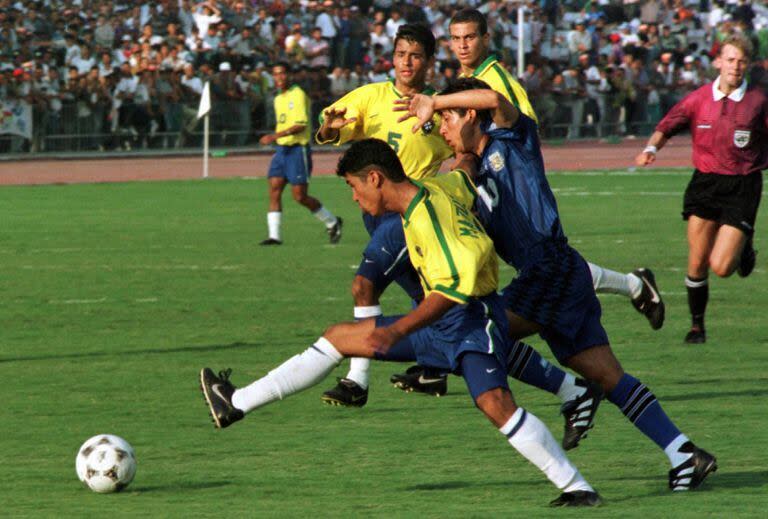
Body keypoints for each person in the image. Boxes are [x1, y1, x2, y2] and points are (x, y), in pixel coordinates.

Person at [201, 138, 602, 507]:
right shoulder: (435, 191)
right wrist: (464, 147)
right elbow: (464, 174)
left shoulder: (427, 217)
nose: (355, 198)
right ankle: (236, 403)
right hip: (449, 323)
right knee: (339, 337)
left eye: (354, 188)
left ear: (375, 178)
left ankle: (577, 487)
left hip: (470, 323)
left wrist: (398, 329)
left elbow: (449, 292)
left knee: (495, 404)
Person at [394, 77, 718, 492]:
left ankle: (571, 392)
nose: (441, 128)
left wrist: (434, 99)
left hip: (548, 267)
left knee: (479, 334)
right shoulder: (471, 170)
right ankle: (683, 453)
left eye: (447, 119)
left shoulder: (511, 137)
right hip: (556, 273)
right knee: (607, 375)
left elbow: (494, 98)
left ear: (470, 114)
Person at [447, 8, 664, 329]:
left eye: (469, 37)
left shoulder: (497, 81)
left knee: (531, 274)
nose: (462, 45)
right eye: (455, 39)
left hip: (508, 180)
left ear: (486, 38)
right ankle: (634, 285)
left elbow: (522, 131)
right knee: (548, 267)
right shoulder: (462, 83)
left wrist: (481, 171)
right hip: (491, 180)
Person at [314, 24, 453, 405]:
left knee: (365, 286)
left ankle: (357, 381)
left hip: (411, 215)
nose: (406, 63)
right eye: (400, 55)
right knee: (427, 295)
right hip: (375, 212)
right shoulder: (372, 96)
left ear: (429, 62)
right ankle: (437, 368)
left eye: (415, 56)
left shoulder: (439, 108)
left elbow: (465, 148)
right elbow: (327, 129)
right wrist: (330, 127)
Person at [635, 35, 767, 344]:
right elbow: (667, 125)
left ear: (747, 65)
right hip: (705, 183)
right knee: (696, 260)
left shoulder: (758, 102)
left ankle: (743, 246)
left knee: (721, 267)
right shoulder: (698, 99)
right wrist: (651, 148)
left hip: (743, 184)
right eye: (730, 59)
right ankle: (697, 327)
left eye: (741, 61)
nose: (736, 66)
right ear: (718, 62)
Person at [258, 63, 342, 246]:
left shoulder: (298, 95)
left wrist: (274, 136)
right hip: (282, 150)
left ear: (289, 75)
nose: (278, 78)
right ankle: (274, 236)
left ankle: (332, 221)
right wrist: (277, 138)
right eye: (275, 74)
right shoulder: (278, 98)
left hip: (297, 149)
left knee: (300, 196)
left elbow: (301, 125)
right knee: (274, 189)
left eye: (281, 73)